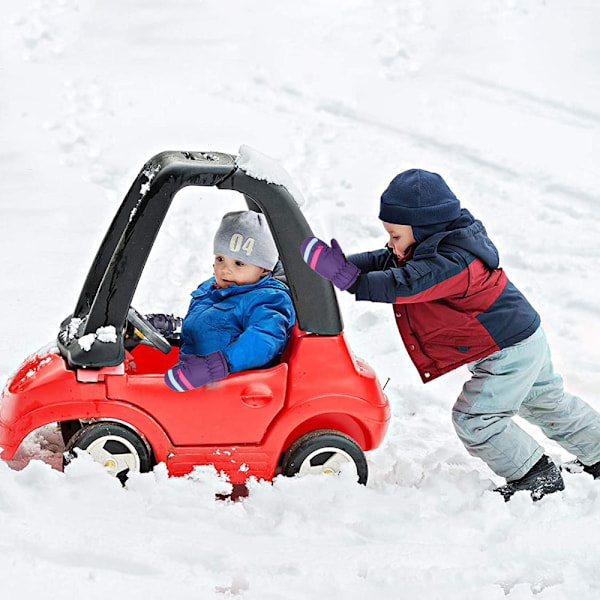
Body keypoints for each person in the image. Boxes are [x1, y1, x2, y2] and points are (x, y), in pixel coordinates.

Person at [301, 168, 600, 501]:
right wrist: (342, 265)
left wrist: (351, 279)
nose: (390, 243)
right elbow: (387, 260)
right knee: (548, 405)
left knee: (476, 419)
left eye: (396, 235)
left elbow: (406, 282)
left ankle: (534, 475)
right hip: (522, 338)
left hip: (509, 350)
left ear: (424, 229)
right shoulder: (434, 245)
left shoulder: (455, 263)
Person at [150, 210, 296, 392]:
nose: (225, 270)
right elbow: (215, 327)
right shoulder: (214, 288)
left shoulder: (267, 300)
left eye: (239, 263)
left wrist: (215, 367)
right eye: (220, 259)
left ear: (264, 269)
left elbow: (263, 341)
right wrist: (172, 327)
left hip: (234, 393)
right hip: (197, 382)